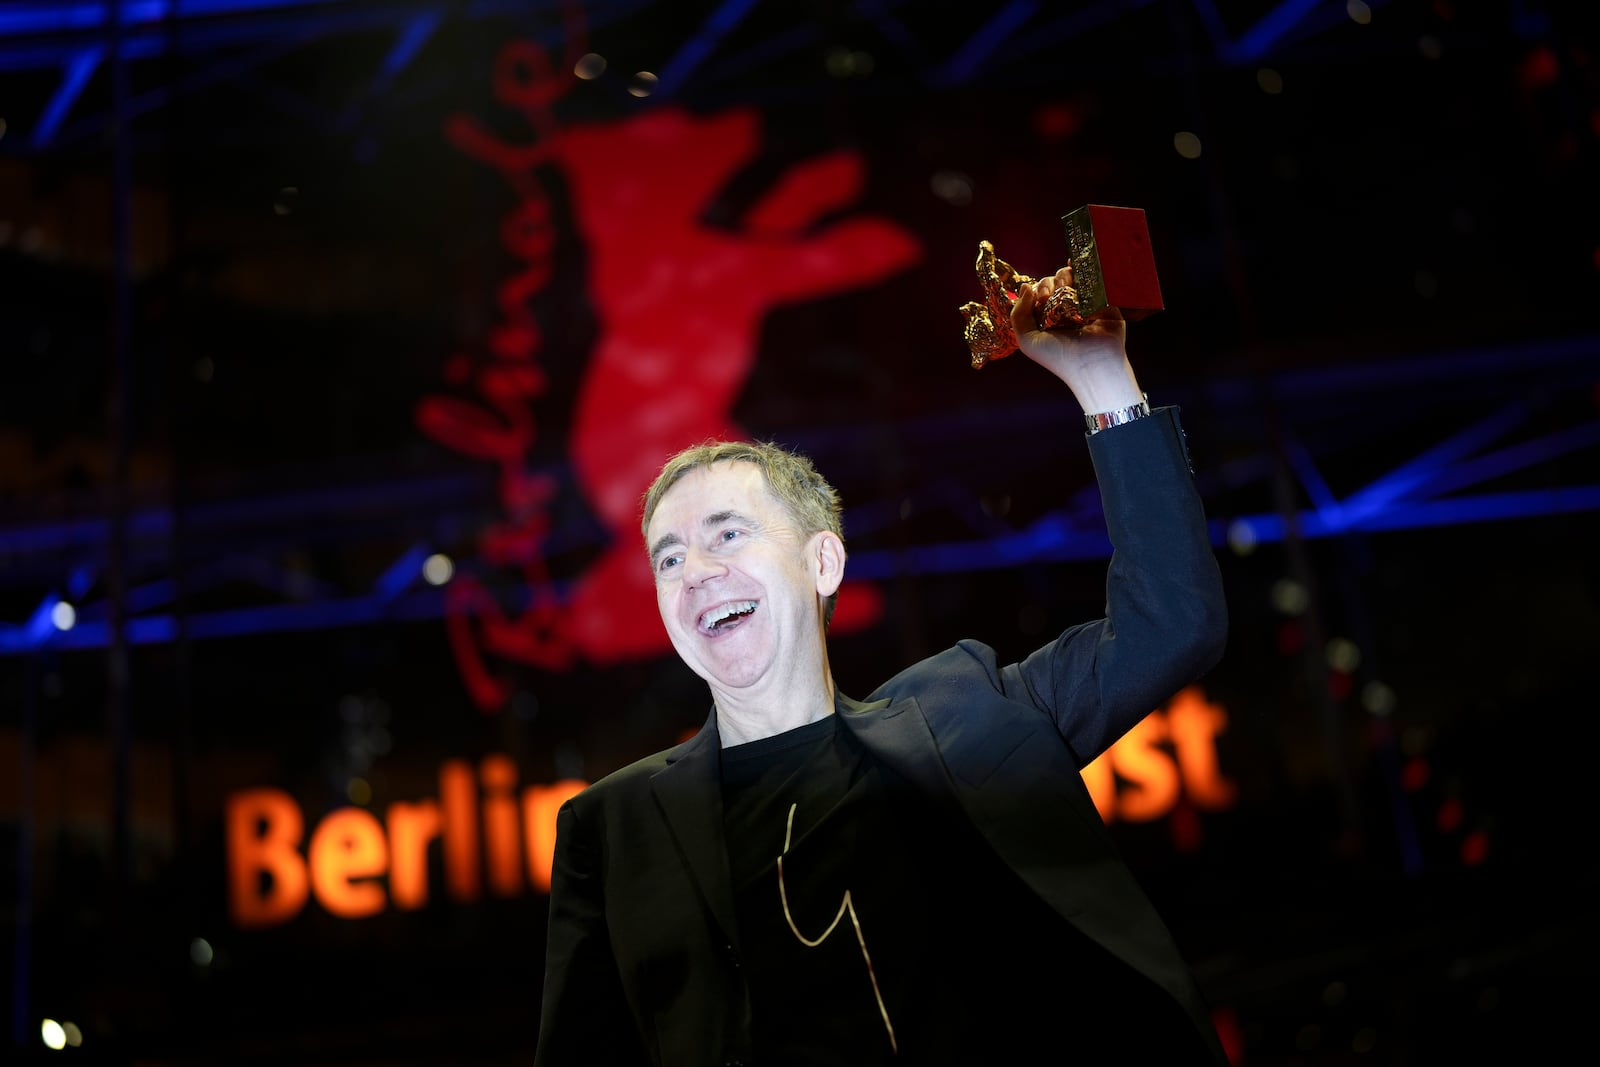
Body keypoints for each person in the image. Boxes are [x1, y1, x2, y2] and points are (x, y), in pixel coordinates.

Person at [533, 265, 1231, 1065]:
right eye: (667, 558)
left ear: (822, 561)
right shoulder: (610, 830)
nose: (693, 571)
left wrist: (1103, 377)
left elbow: (1173, 622)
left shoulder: (969, 717)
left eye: (727, 534)